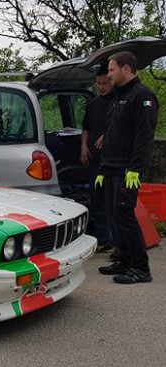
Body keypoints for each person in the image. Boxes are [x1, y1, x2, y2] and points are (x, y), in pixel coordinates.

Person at [96, 51, 159, 284]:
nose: (109, 74)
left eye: (112, 70)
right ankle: (123, 259)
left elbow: (144, 138)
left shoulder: (143, 96)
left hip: (127, 171)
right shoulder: (116, 98)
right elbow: (112, 136)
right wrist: (103, 168)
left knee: (125, 217)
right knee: (114, 216)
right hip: (111, 168)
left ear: (126, 68)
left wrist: (135, 169)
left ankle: (141, 268)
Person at [80, 66, 115, 254]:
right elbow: (85, 127)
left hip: (112, 159)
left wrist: (107, 135)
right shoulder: (93, 104)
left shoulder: (118, 101)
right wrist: (83, 146)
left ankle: (117, 241)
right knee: (97, 199)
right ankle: (103, 239)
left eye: (105, 83)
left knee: (113, 201)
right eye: (99, 84)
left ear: (111, 80)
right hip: (94, 159)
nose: (102, 87)